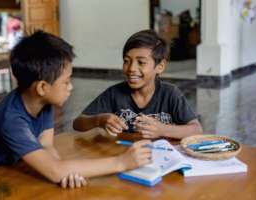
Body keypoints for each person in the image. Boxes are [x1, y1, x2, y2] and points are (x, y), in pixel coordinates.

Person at [0, 31, 152, 189]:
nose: (70, 87)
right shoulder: (12, 119)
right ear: (42, 87)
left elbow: (46, 146)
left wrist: (64, 172)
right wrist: (121, 162)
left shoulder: (41, 102)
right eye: (66, 82)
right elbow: (54, 170)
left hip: (3, 165)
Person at [73, 30, 203, 139]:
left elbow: (196, 129)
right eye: (126, 61)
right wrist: (99, 120)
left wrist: (163, 130)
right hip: (124, 156)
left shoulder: (170, 94)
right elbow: (78, 123)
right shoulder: (114, 93)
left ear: (160, 66)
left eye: (141, 62)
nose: (131, 69)